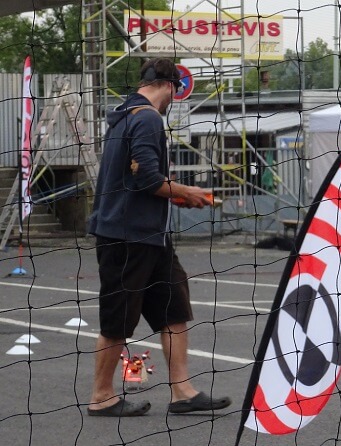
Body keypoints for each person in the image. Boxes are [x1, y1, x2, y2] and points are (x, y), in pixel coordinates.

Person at [87, 58, 231, 417]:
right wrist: (190, 192)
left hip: (150, 236)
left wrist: (180, 196)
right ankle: (102, 396)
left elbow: (139, 178)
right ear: (170, 86)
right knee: (117, 320)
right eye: (174, 94)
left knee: (173, 308)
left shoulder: (124, 113)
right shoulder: (148, 117)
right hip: (126, 236)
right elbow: (148, 179)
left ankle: (182, 392)